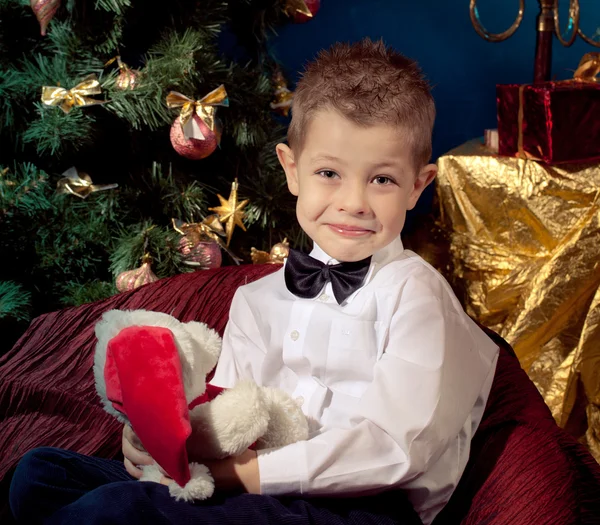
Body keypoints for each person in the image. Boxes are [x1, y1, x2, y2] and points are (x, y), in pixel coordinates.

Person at [9, 38, 499, 525]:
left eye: (382, 180)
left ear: (419, 185)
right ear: (291, 170)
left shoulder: (416, 294)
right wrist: (159, 440)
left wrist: (243, 475)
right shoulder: (257, 298)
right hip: (250, 485)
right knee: (41, 472)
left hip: (362, 505)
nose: (354, 202)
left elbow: (394, 449)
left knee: (116, 510)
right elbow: (230, 416)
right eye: (329, 172)